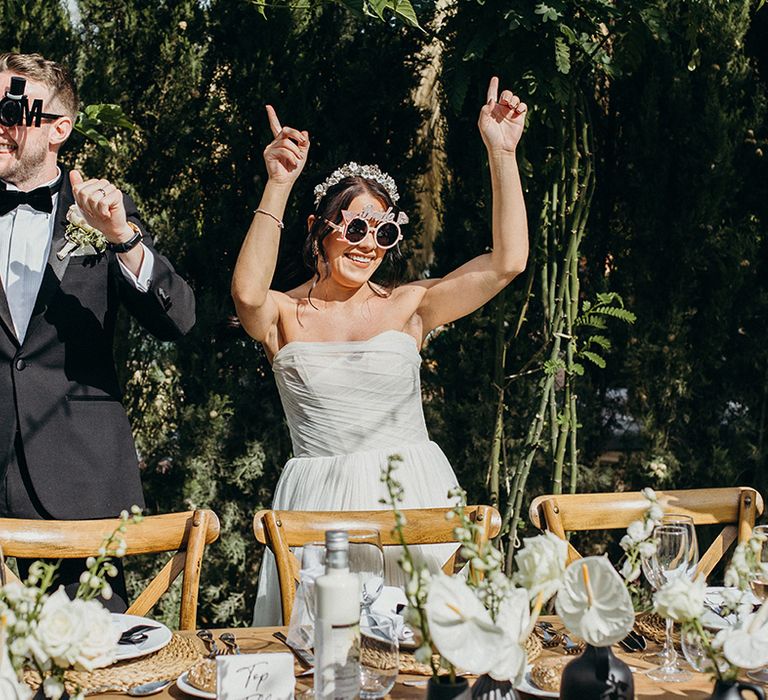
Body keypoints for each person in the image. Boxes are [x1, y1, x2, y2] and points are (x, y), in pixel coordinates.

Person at [233, 77, 528, 625]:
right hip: (318, 510)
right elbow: (246, 293)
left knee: (430, 649)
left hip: (417, 499)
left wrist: (501, 152)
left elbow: (506, 263)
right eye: (356, 226)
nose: (369, 243)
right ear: (319, 229)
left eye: (384, 232)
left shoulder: (410, 304)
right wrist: (278, 182)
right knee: (322, 659)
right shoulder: (282, 315)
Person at [0, 52, 195, 602]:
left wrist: (122, 239)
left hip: (79, 491)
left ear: (59, 128)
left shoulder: (107, 216)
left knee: (92, 670)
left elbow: (178, 317)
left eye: (11, 108)